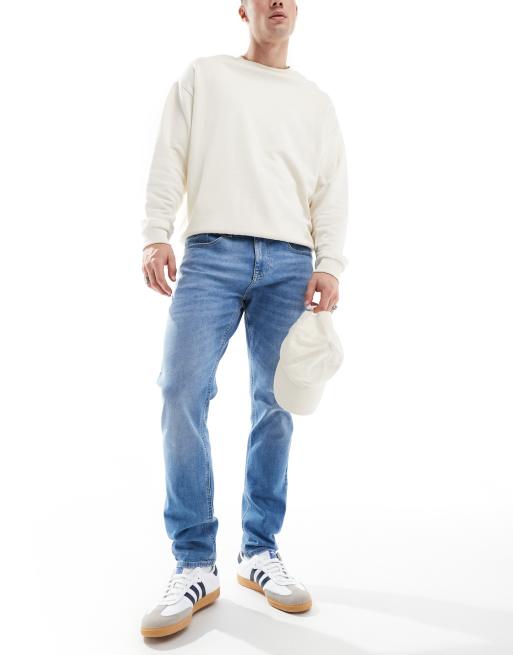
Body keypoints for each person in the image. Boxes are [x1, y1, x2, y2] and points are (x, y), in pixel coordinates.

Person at [140, 0, 349, 638]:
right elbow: (169, 156)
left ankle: (259, 551)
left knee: (276, 402)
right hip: (211, 254)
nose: (278, 2)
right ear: (244, 8)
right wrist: (155, 233)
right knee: (181, 389)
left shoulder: (315, 102)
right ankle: (194, 563)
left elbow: (330, 189)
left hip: (290, 261)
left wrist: (329, 263)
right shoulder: (204, 76)